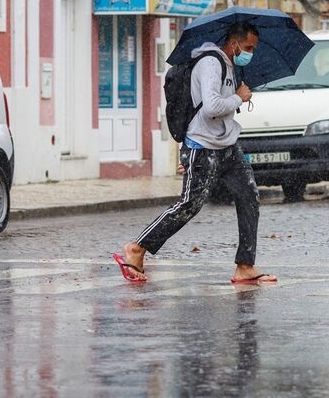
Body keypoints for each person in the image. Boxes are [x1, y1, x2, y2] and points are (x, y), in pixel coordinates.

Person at [114, 21, 276, 284]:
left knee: (249, 196)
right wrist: (239, 98)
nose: (250, 53)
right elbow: (212, 106)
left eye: (253, 48)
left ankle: (245, 265)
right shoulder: (211, 63)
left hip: (226, 145)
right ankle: (137, 248)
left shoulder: (229, 64)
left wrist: (235, 96)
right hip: (202, 146)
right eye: (247, 47)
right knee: (190, 204)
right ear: (233, 42)